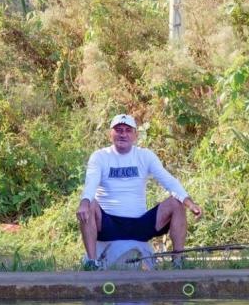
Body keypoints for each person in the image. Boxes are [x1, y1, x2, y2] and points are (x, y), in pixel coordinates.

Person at [77, 113, 202, 270]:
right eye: (119, 130)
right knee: (89, 204)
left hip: (140, 224)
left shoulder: (145, 156)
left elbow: (168, 181)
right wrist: (84, 203)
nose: (123, 134)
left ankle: (178, 261)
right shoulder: (100, 156)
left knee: (176, 204)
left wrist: (190, 203)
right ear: (111, 134)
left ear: (135, 135)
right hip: (108, 224)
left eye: (128, 130)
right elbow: (91, 183)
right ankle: (92, 263)